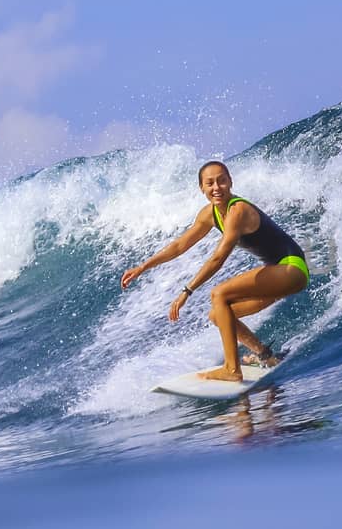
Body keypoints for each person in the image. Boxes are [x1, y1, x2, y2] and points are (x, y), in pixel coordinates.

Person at [120, 160, 309, 382]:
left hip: (290, 268)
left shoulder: (237, 211)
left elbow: (219, 257)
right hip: (277, 271)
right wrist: (144, 266)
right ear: (202, 188)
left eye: (221, 181)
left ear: (230, 182)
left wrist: (186, 291)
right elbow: (180, 245)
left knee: (219, 294)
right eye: (209, 183)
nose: (216, 187)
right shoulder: (209, 214)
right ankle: (265, 356)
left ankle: (231, 370)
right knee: (218, 314)